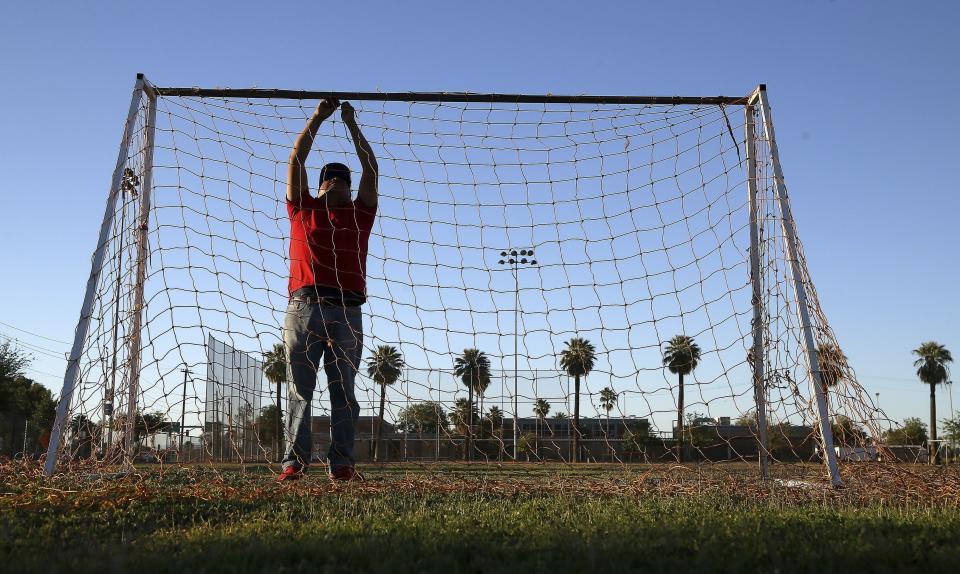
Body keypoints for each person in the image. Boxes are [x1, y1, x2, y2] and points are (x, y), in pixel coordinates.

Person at [278, 98, 378, 482]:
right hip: (303, 308)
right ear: (319, 185)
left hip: (347, 312)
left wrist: (352, 125)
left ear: (351, 188)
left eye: (342, 176)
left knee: (343, 393)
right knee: (300, 391)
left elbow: (370, 168)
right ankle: (294, 463)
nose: (335, 178)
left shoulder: (360, 213)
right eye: (328, 175)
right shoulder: (302, 207)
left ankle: (342, 463)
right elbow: (295, 161)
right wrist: (318, 117)